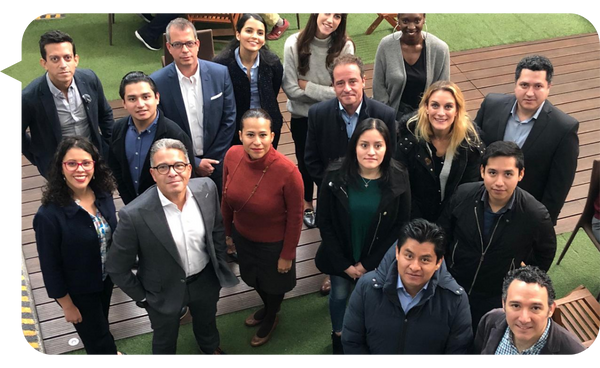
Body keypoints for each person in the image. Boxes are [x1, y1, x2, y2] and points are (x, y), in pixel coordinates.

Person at [106, 138, 239, 358]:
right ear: (153, 173)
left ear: (189, 168)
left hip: (205, 280)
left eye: (178, 165)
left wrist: (219, 264)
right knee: (165, 338)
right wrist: (143, 297)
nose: (172, 172)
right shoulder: (134, 215)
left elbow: (216, 228)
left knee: (207, 322)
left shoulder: (207, 188)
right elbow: (116, 267)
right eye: (163, 167)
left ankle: (209, 349)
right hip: (161, 292)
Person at [314, 118, 411, 357]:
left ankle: (366, 336)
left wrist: (368, 265)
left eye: (378, 145)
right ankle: (338, 335)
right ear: (354, 146)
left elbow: (401, 225)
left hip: (375, 260)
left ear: (388, 147)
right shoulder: (334, 175)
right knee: (338, 295)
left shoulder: (399, 177)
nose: (371, 152)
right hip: (340, 258)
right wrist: (345, 265)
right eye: (364, 145)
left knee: (372, 300)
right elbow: (324, 222)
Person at [437, 141, 557, 330]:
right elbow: (443, 232)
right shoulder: (463, 195)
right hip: (452, 283)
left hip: (495, 296)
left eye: (508, 174)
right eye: (493, 173)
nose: (499, 182)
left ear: (521, 174)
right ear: (483, 171)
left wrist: (518, 280)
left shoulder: (535, 214)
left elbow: (546, 252)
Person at [221, 109, 304, 347]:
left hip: (274, 244)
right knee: (253, 279)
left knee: (274, 285)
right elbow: (226, 198)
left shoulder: (288, 171)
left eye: (263, 135)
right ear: (240, 135)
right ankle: (268, 308)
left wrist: (287, 254)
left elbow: (296, 217)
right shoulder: (231, 156)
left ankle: (270, 316)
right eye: (250, 134)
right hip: (243, 237)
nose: (256, 142)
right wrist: (228, 233)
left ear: (272, 136)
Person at [33, 137, 122, 358]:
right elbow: (50, 267)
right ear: (61, 168)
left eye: (86, 163)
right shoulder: (48, 216)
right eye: (71, 163)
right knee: (98, 340)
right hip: (79, 291)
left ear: (94, 165)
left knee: (100, 327)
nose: (79, 169)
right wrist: (67, 305)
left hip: (104, 280)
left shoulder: (103, 195)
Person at [342, 219, 473, 357]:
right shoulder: (367, 287)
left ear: (438, 262)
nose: (414, 267)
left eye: (425, 260)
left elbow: (458, 352)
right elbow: (352, 341)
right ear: (397, 252)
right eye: (409, 256)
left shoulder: (455, 299)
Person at [474, 55, 579, 225]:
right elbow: (472, 151)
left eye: (538, 86)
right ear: (516, 84)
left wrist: (542, 224)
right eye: (524, 85)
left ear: (549, 87)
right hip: (480, 201)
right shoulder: (491, 105)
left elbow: (558, 188)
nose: (530, 93)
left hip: (522, 215)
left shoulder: (564, 128)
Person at [282, 10, 354, 229]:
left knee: (334, 160)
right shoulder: (293, 43)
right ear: (315, 12)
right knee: (304, 161)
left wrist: (308, 86)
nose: (330, 20)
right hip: (301, 116)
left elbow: (343, 91)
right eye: (327, 12)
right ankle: (306, 203)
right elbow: (291, 89)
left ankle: (330, 201)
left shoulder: (345, 46)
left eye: (338, 16)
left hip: (333, 115)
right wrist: (328, 91)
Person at [151, 17, 236, 195]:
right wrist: (194, 163)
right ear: (169, 47)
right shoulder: (157, 82)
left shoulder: (220, 74)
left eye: (189, 43)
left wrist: (211, 160)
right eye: (178, 44)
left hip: (218, 162)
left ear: (197, 44)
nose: (185, 50)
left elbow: (229, 119)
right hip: (178, 167)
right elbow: (162, 128)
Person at [19, 30, 114, 178]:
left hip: (94, 159)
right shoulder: (29, 97)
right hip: (58, 167)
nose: (63, 65)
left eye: (67, 57)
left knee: (103, 197)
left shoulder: (90, 79)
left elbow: (105, 114)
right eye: (55, 59)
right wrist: (39, 157)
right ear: (44, 63)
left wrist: (108, 147)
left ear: (76, 60)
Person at [395, 81, 484, 222]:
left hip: (454, 219)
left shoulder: (470, 145)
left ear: (457, 111)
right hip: (414, 221)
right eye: (435, 105)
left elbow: (468, 192)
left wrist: (443, 228)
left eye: (448, 106)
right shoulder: (408, 141)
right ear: (426, 108)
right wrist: (421, 228)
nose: (441, 113)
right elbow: (402, 189)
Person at [305, 54, 397, 190]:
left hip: (373, 190)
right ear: (333, 85)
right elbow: (311, 159)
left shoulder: (384, 115)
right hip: (331, 191)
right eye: (340, 83)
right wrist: (330, 186)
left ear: (363, 81)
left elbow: (391, 158)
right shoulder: (318, 114)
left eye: (352, 81)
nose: (347, 89)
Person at [108, 71, 195, 204]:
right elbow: (116, 168)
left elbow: (187, 179)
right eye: (132, 99)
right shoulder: (119, 129)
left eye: (146, 97)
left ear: (157, 98)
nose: (140, 104)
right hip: (132, 205)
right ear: (124, 103)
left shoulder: (175, 135)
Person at [474, 266, 588, 358]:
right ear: (504, 304)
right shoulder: (491, 320)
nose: (524, 319)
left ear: (550, 310)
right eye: (516, 305)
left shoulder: (573, 352)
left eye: (535, 308)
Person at [213, 12, 284, 148]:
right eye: (249, 31)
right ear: (238, 34)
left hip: (268, 126)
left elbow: (273, 91)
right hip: (234, 130)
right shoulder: (222, 65)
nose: (254, 37)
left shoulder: (272, 63)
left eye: (260, 33)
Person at [373, 10, 450, 121]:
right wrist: (387, 118)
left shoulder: (440, 49)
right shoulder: (385, 45)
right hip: (392, 114)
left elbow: (443, 90)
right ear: (398, 20)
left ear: (424, 19)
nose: (411, 26)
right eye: (405, 21)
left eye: (417, 20)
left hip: (427, 117)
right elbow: (378, 86)